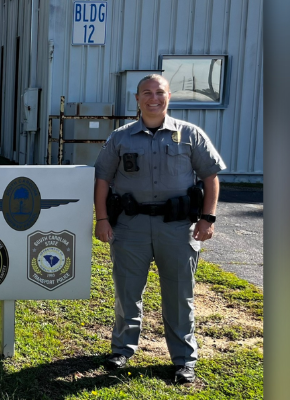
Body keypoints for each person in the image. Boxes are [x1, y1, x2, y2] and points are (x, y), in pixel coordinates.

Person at [92, 74, 225, 384]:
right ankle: (122, 350)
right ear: (137, 99)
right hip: (131, 227)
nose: (154, 98)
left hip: (178, 229)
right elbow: (102, 180)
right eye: (146, 93)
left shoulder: (190, 134)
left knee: (180, 295)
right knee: (127, 292)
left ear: (169, 97)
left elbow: (211, 178)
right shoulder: (120, 138)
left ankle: (184, 360)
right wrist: (102, 219)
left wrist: (208, 218)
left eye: (159, 92)